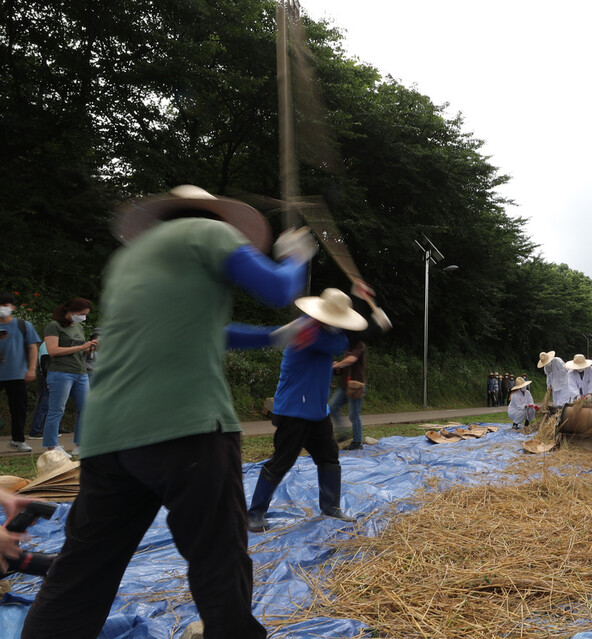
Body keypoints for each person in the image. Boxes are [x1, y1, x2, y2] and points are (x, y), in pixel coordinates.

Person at [21, 185, 316, 639]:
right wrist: (294, 257)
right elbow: (277, 288)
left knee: (84, 567)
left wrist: (276, 336)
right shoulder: (207, 232)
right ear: (214, 217)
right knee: (218, 558)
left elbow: (209, 331)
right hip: (186, 426)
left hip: (109, 436)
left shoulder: (130, 261)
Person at [248, 287, 390, 531]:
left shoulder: (324, 329)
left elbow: (347, 335)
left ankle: (331, 508)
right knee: (282, 462)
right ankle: (254, 514)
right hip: (293, 411)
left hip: (317, 411)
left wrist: (362, 304)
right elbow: (344, 341)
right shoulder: (307, 331)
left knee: (329, 457)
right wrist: (376, 326)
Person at [329, 289, 391, 451]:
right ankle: (343, 432)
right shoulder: (348, 345)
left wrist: (337, 365)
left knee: (353, 415)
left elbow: (351, 360)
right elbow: (346, 362)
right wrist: (337, 368)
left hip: (356, 385)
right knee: (332, 408)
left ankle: (357, 442)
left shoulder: (359, 344)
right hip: (345, 385)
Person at [41, 298, 97, 457]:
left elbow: (77, 351)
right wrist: (81, 346)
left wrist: (88, 349)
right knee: (57, 409)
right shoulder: (54, 326)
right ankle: (52, 447)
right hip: (61, 372)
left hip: (80, 372)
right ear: (71, 311)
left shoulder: (78, 327)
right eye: (81, 314)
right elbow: (53, 351)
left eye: (85, 315)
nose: (83, 318)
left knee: (85, 409)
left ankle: (80, 444)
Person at [0, 292, 41, 452]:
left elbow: (32, 347)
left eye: (6, 305)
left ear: (13, 307)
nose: (3, 308)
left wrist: (32, 369)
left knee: (19, 408)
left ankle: (18, 440)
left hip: (17, 373)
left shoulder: (23, 325)